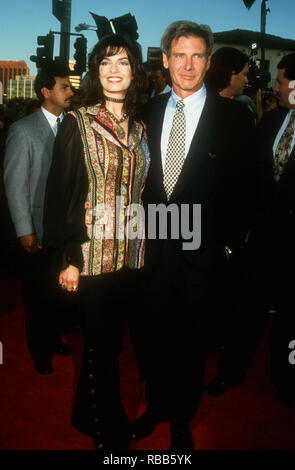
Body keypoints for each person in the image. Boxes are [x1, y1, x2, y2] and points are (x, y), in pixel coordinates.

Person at [130, 20, 256, 449]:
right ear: (165, 60)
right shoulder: (144, 111)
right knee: (151, 335)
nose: (188, 64)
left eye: (197, 55)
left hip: (203, 254)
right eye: (179, 55)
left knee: (192, 343)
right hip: (152, 252)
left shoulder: (235, 116)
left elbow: (247, 187)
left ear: (208, 61)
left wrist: (227, 246)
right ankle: (156, 407)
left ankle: (181, 418)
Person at [42, 34, 150, 449]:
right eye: (105, 63)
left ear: (134, 70)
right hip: (90, 256)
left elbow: (146, 192)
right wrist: (68, 257)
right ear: (95, 71)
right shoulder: (78, 122)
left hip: (134, 257)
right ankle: (107, 430)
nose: (113, 70)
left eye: (122, 62)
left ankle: (86, 414)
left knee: (115, 344)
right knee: (100, 347)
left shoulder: (141, 128)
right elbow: (61, 195)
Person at [207, 53, 295, 406]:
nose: (275, 85)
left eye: (282, 80)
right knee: (245, 312)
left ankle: (288, 383)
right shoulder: (272, 120)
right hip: (261, 240)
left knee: (291, 322)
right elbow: (249, 178)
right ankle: (229, 374)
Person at [3, 62, 74, 374]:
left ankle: (54, 338)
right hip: (36, 229)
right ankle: (39, 350)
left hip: (65, 231)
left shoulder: (72, 125)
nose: (71, 91)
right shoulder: (22, 130)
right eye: (64, 86)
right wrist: (24, 230)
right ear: (46, 91)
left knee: (60, 293)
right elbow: (15, 184)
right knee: (37, 296)